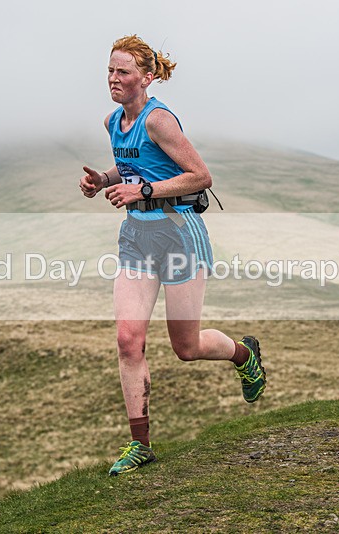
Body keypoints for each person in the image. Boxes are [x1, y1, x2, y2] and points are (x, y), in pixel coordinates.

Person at [79, 35, 267, 476]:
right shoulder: (112, 121)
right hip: (136, 239)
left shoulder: (159, 120)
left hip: (180, 235)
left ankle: (245, 356)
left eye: (122, 72)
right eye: (109, 70)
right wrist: (104, 179)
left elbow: (200, 176)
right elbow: (133, 168)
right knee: (128, 340)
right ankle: (139, 444)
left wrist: (143, 190)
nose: (113, 78)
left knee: (186, 346)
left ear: (145, 77)